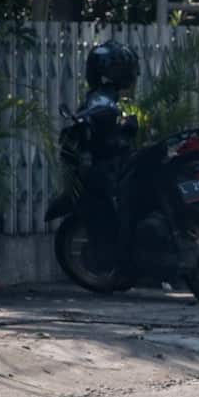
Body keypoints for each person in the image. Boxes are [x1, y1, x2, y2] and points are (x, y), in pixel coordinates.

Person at [77, 40, 140, 270]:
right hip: (114, 161)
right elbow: (97, 116)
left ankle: (121, 249)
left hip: (113, 162)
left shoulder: (104, 97)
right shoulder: (103, 99)